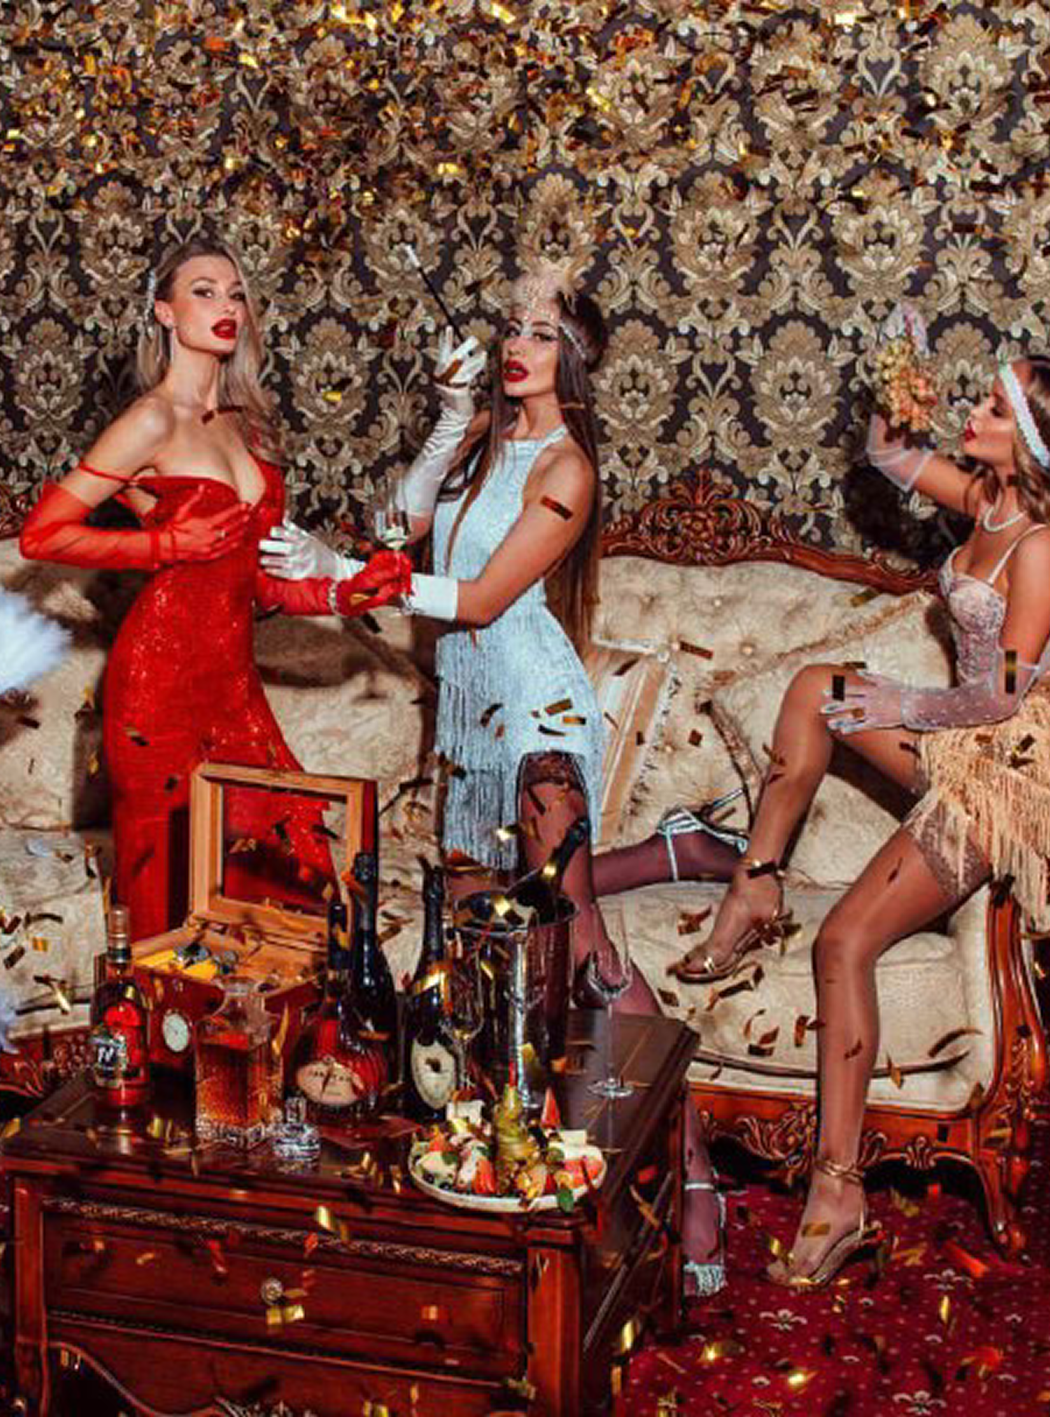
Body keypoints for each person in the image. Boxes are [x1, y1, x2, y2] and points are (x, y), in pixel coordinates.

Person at [260, 259, 738, 1295]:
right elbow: (397, 525)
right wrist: (444, 428)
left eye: (541, 331)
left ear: (577, 354)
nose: (517, 344)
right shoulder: (486, 439)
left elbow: (476, 601)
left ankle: (692, 1163)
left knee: (584, 949)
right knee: (483, 953)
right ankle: (506, 1172)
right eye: (511, 326)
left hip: (537, 723)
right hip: (469, 728)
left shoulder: (568, 468)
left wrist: (340, 574)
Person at [668, 354, 1050, 1287]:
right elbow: (888, 456)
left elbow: (1004, 694)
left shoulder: (1041, 548)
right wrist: (898, 389)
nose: (974, 411)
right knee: (814, 688)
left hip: (999, 776)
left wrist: (899, 703)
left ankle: (838, 1191)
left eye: (993, 407)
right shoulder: (985, 499)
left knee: (844, 942)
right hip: (951, 743)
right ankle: (755, 888)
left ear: (1035, 440)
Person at [19, 236, 402, 941]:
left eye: (236, 294)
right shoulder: (151, 419)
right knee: (173, 902)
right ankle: (159, 1017)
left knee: (287, 888)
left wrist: (347, 593)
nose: (226, 306)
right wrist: (166, 545)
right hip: (157, 686)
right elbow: (43, 535)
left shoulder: (250, 426)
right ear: (164, 312)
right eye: (204, 291)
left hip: (231, 684)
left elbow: (263, 586)